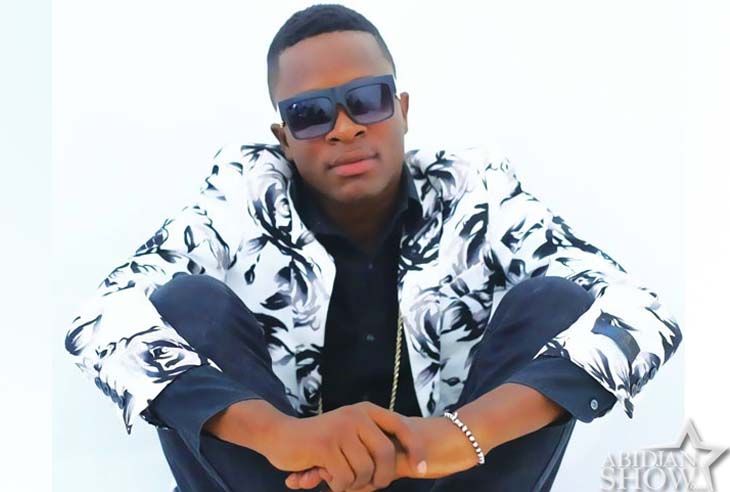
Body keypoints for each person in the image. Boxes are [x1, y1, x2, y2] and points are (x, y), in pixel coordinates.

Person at [64, 4, 683, 492]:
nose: (345, 127)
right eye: (310, 114)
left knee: (557, 303)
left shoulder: (475, 193)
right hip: (279, 478)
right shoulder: (242, 197)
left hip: (454, 477)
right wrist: (279, 435)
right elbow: (100, 319)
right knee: (185, 304)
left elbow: (642, 314)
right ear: (283, 137)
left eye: (367, 100)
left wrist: (459, 435)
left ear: (402, 110)